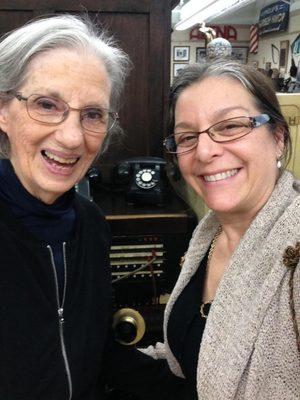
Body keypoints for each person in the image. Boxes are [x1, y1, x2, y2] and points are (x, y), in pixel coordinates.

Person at [0, 14, 184, 400]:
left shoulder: (91, 224)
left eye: (92, 114)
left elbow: (96, 351)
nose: (71, 137)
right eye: (47, 104)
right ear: (3, 110)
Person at [141, 60, 300, 399]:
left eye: (229, 126)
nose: (204, 150)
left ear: (278, 137)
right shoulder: (208, 233)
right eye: (187, 136)